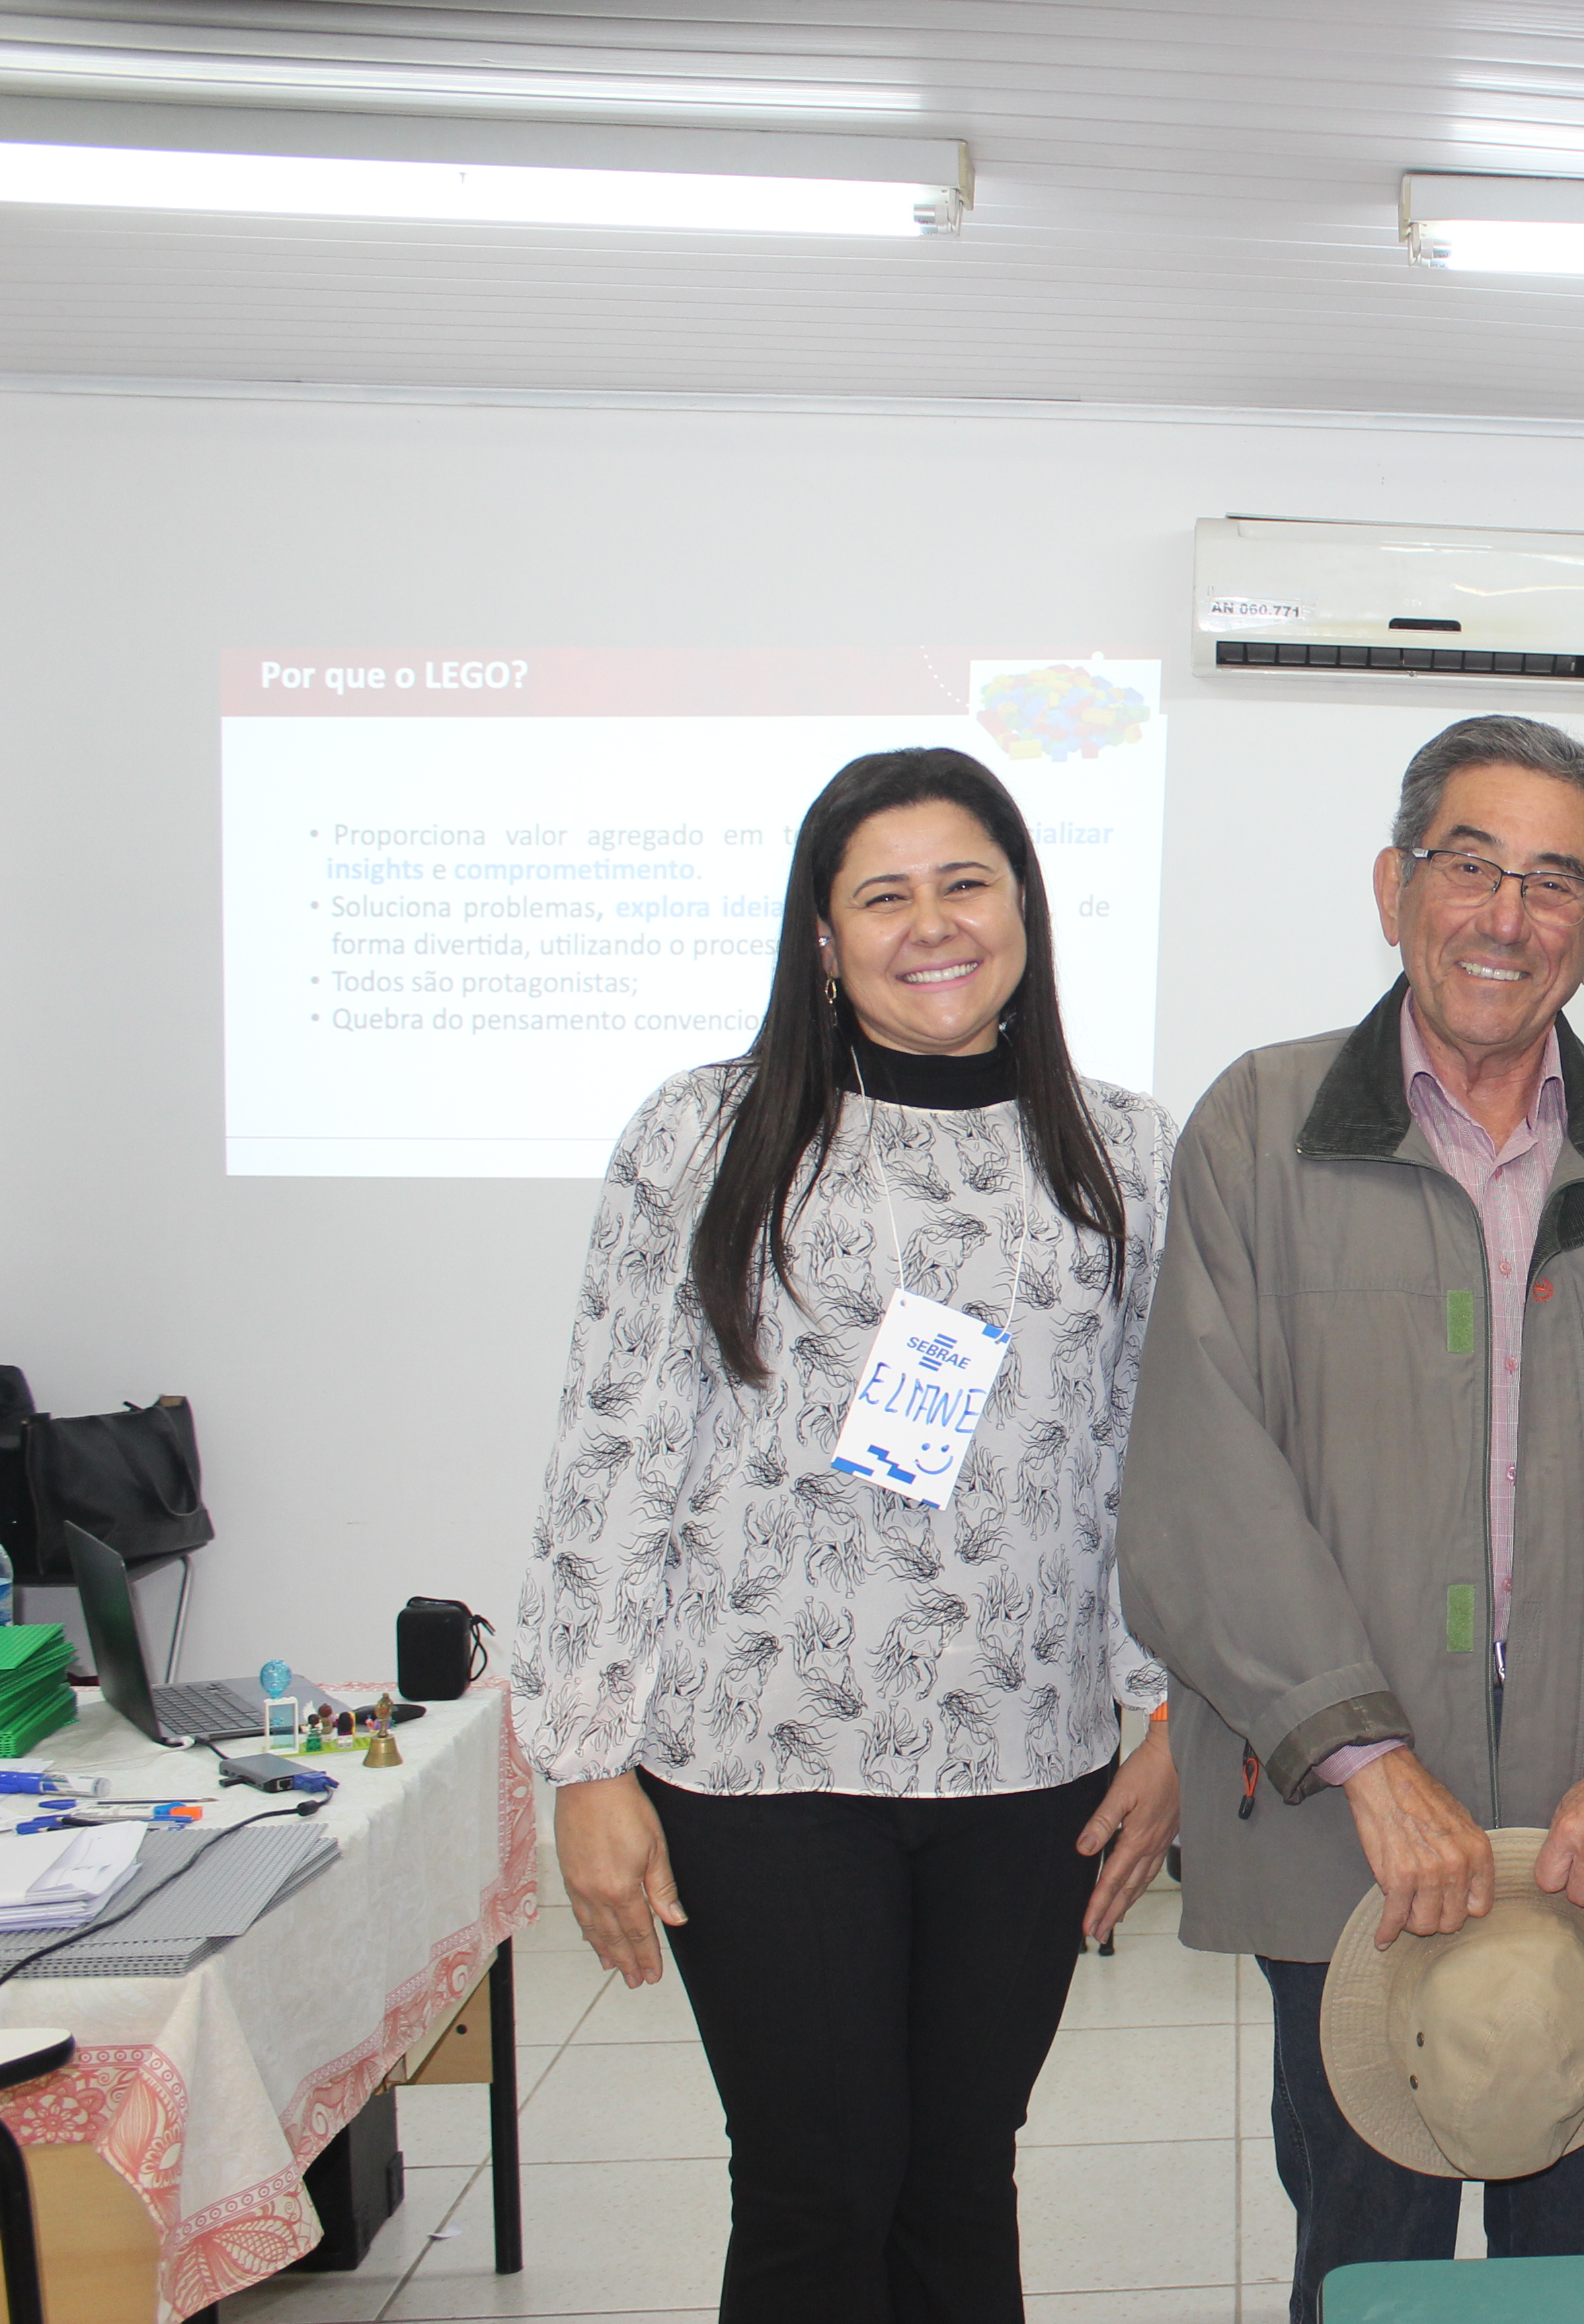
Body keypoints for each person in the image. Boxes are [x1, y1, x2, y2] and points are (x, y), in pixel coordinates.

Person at [1117, 714, 1584, 2324]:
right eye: (1470, 864)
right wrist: (1365, 1760)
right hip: (1347, 1839)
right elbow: (1199, 1479)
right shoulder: (1260, 1130)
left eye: (1556, 881)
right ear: (1394, 885)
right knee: (1365, 2270)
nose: (1506, 915)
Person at [512, 746, 1183, 2324]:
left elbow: (1159, 1461)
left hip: (1029, 1762)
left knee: (964, 2173)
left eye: (968, 882)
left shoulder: (1129, 1156)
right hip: (762, 1765)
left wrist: (1164, 1717)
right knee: (821, 2182)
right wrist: (587, 1763)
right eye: (884, 894)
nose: (931, 923)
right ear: (822, 935)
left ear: (1024, 907)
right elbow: (613, 1451)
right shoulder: (706, 1137)